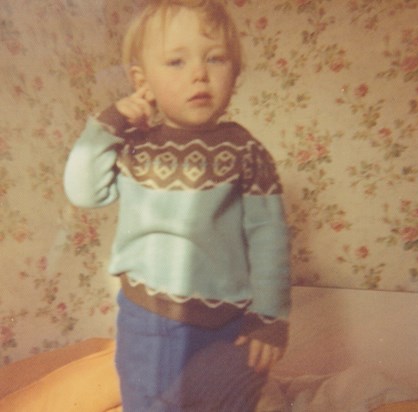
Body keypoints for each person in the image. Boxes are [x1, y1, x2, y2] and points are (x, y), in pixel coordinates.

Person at [64, 0, 291, 410]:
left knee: (235, 398)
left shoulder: (246, 151)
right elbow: (83, 192)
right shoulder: (133, 144)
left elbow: (269, 239)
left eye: (216, 59)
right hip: (148, 320)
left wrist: (270, 319)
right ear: (142, 81)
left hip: (230, 321)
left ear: (234, 74)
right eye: (176, 62)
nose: (199, 74)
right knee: (151, 402)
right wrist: (107, 125)